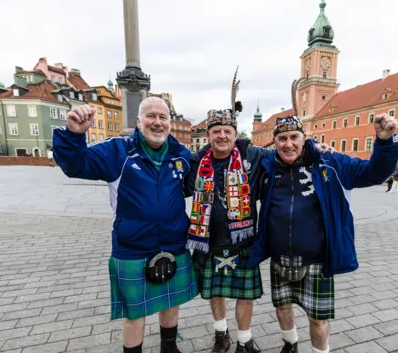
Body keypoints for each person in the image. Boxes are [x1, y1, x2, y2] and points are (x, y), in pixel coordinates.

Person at [248, 79, 398, 353]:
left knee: (318, 319)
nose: (288, 144)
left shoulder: (331, 162)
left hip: (317, 259)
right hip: (279, 255)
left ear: (303, 138)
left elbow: (373, 173)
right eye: (281, 139)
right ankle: (290, 344)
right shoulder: (267, 166)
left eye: (294, 137)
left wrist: (385, 142)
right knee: (282, 306)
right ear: (274, 143)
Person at [186, 70, 331, 353]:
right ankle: (220, 334)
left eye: (227, 131)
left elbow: (287, 151)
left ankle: (244, 340)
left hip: (242, 241)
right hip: (206, 239)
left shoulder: (253, 155)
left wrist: (314, 147)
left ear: (234, 133)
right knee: (214, 293)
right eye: (216, 131)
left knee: (244, 296)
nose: (222, 136)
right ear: (208, 134)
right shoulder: (195, 161)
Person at [52, 97, 198, 353]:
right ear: (138, 121)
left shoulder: (181, 155)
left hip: (174, 244)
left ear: (170, 124)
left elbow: (193, 185)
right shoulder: (117, 152)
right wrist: (74, 135)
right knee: (134, 313)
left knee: (171, 303)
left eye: (163, 117)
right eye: (151, 116)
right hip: (132, 248)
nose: (157, 122)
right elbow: (76, 165)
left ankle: (169, 347)